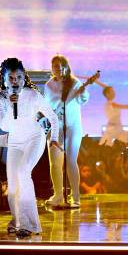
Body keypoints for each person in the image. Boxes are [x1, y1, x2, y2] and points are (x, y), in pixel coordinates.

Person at [0, 58, 60, 238]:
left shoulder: (33, 95)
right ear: (5, 79)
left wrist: (54, 138)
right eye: (12, 78)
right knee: (13, 186)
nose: (16, 81)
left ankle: (30, 225)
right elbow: (5, 126)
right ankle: (17, 221)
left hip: (34, 137)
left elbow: (53, 118)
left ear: (24, 78)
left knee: (23, 171)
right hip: (15, 142)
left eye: (20, 77)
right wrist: (10, 104)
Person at [43, 55, 89, 209]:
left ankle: (75, 197)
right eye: (55, 65)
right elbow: (46, 106)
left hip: (73, 127)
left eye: (61, 65)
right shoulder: (49, 85)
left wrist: (82, 92)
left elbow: (84, 99)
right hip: (57, 127)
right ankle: (58, 195)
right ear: (52, 68)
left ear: (66, 67)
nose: (58, 68)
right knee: (54, 162)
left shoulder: (75, 83)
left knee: (70, 161)